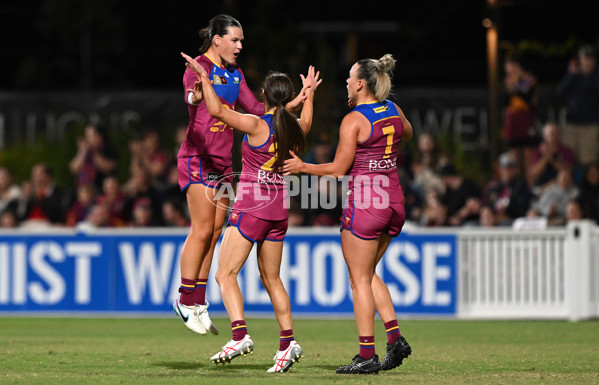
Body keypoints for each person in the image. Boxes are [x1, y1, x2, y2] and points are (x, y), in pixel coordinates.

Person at [182, 52, 320, 372]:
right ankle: (288, 342)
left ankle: (239, 335)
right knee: (272, 279)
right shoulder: (295, 127)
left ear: (262, 96)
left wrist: (203, 78)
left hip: (251, 208)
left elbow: (215, 110)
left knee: (224, 274)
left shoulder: (256, 124)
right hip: (278, 210)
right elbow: (308, 122)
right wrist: (310, 93)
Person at [173, 14, 309, 337]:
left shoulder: (235, 73)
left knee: (217, 229)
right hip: (197, 158)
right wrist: (196, 94)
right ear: (216, 39)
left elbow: (257, 110)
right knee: (203, 228)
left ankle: (199, 300)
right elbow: (192, 94)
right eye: (234, 40)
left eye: (241, 41)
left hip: (221, 163)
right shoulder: (199, 68)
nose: (239, 46)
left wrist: (292, 104)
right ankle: (184, 298)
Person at [282, 54, 413, 374]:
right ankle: (394, 338)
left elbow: (339, 169)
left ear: (360, 84)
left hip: (367, 204)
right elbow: (405, 134)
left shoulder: (354, 119)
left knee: (358, 281)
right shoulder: (393, 109)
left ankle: (366, 354)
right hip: (394, 200)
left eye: (349, 79)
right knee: (367, 275)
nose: (345, 83)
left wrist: (302, 167)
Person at [556, 44, 599, 167]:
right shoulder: (573, 74)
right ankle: (569, 185)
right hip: (571, 124)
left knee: (588, 160)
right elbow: (560, 91)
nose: (587, 61)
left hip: (590, 125)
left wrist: (588, 76)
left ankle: (585, 186)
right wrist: (571, 74)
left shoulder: (596, 75)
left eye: (590, 59)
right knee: (568, 158)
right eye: (585, 58)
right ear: (580, 59)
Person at [502, 53, 539, 169]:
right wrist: (510, 89)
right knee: (514, 157)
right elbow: (504, 101)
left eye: (509, 65)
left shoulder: (530, 79)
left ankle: (529, 184)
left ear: (516, 65)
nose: (507, 68)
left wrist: (515, 89)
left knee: (529, 156)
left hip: (526, 120)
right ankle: (516, 184)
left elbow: (529, 99)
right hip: (513, 120)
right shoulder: (508, 80)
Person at [482, 152, 533, 226]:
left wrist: (507, 209)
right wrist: (487, 211)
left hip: (511, 221)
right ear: (500, 169)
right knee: (471, 225)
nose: (507, 171)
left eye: (510, 168)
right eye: (504, 168)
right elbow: (488, 204)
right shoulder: (495, 187)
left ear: (515, 169)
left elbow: (523, 209)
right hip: (492, 221)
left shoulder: (521, 185)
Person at [526, 122, 575, 192]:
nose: (554, 135)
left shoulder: (567, 151)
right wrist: (545, 158)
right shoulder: (537, 151)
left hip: (561, 186)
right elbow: (534, 174)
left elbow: (568, 172)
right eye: (551, 133)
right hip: (541, 187)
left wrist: (551, 158)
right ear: (544, 136)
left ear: (560, 135)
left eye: (556, 133)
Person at [69, 123, 119, 192]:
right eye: (86, 136)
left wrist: (94, 152)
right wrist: (82, 152)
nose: (87, 139)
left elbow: (108, 167)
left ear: (100, 136)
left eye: (90, 136)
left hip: (101, 189)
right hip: (82, 189)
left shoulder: (108, 149)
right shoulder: (84, 150)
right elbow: (74, 168)